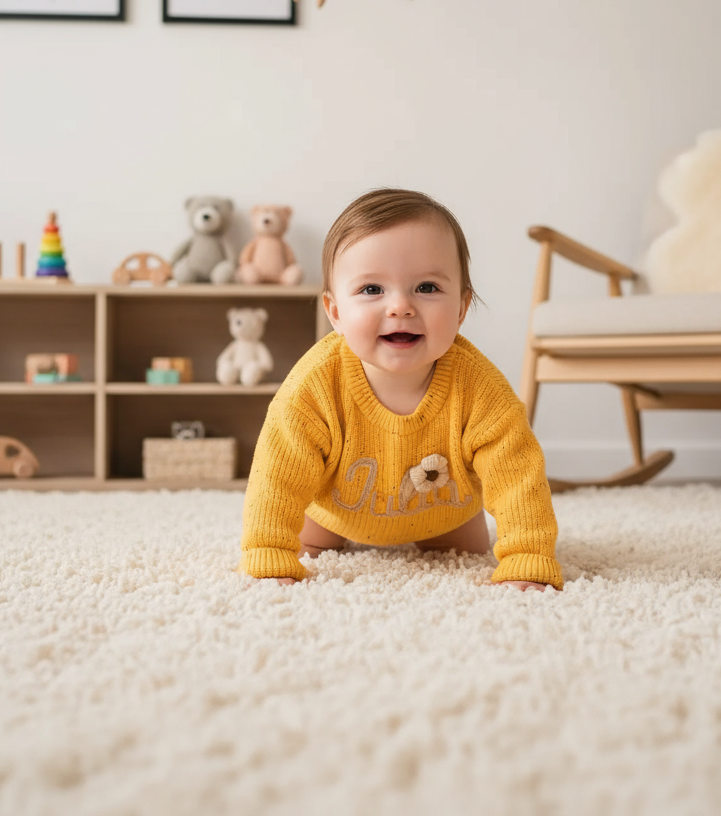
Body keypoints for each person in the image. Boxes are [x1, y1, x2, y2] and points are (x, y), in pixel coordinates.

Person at [239, 189, 562, 592]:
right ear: (335, 312)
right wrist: (268, 552)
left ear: (462, 308)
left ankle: (449, 534)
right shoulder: (313, 386)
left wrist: (528, 557)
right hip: (333, 514)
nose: (400, 307)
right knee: (307, 542)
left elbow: (517, 476)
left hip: (448, 513)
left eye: (426, 288)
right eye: (372, 290)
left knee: (464, 553)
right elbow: (278, 475)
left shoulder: (481, 388)